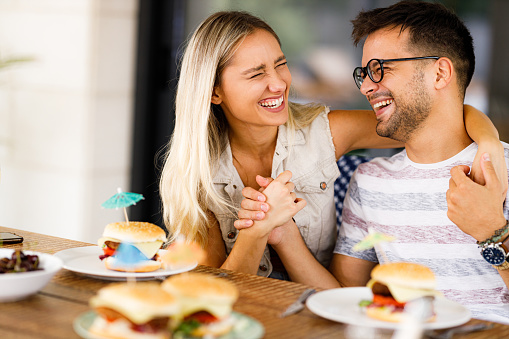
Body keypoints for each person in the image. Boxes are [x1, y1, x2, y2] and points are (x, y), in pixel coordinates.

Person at [159, 10, 503, 280]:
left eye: (281, 64)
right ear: (214, 91)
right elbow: (219, 294)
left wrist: (488, 145)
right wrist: (259, 229)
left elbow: (428, 116)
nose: (278, 83)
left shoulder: (323, 132)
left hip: (316, 306)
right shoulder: (198, 175)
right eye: (256, 74)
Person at [326, 1, 509, 324]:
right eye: (364, 73)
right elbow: (345, 293)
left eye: (381, 69)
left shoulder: (501, 166)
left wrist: (492, 232)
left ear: (439, 73)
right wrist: (284, 237)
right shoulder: (369, 180)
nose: (367, 86)